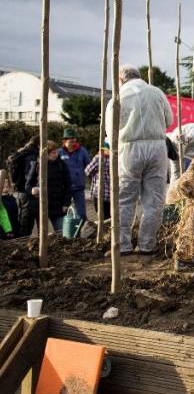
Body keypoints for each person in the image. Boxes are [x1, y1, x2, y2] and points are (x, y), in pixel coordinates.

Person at [105, 64, 173, 256]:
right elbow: (169, 120)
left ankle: (122, 245)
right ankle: (147, 244)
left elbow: (110, 131)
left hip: (129, 148)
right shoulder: (157, 93)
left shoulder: (117, 98)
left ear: (120, 79)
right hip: (157, 147)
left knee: (124, 199)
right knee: (155, 199)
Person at [26, 141, 72, 233]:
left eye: (57, 152)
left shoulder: (62, 165)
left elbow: (68, 185)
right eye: (53, 153)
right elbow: (28, 185)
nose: (56, 155)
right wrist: (32, 190)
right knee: (43, 233)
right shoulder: (37, 165)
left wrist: (66, 203)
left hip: (58, 206)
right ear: (45, 154)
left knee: (62, 233)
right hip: (41, 206)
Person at [8, 135, 40, 237]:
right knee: (26, 223)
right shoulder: (32, 156)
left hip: (20, 191)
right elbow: (29, 176)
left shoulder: (23, 152)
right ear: (39, 144)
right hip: (27, 192)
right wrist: (31, 188)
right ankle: (22, 245)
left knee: (23, 220)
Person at [58, 128, 91, 221]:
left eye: (74, 140)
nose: (73, 143)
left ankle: (82, 230)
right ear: (64, 141)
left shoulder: (82, 151)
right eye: (70, 141)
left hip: (78, 187)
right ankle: (65, 231)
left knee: (81, 213)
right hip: (64, 188)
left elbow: (89, 166)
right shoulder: (60, 152)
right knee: (64, 212)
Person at [85, 141, 111, 222]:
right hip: (112, 193)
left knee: (101, 216)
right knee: (110, 216)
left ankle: (104, 232)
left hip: (99, 193)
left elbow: (87, 171)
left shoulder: (98, 158)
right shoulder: (117, 158)